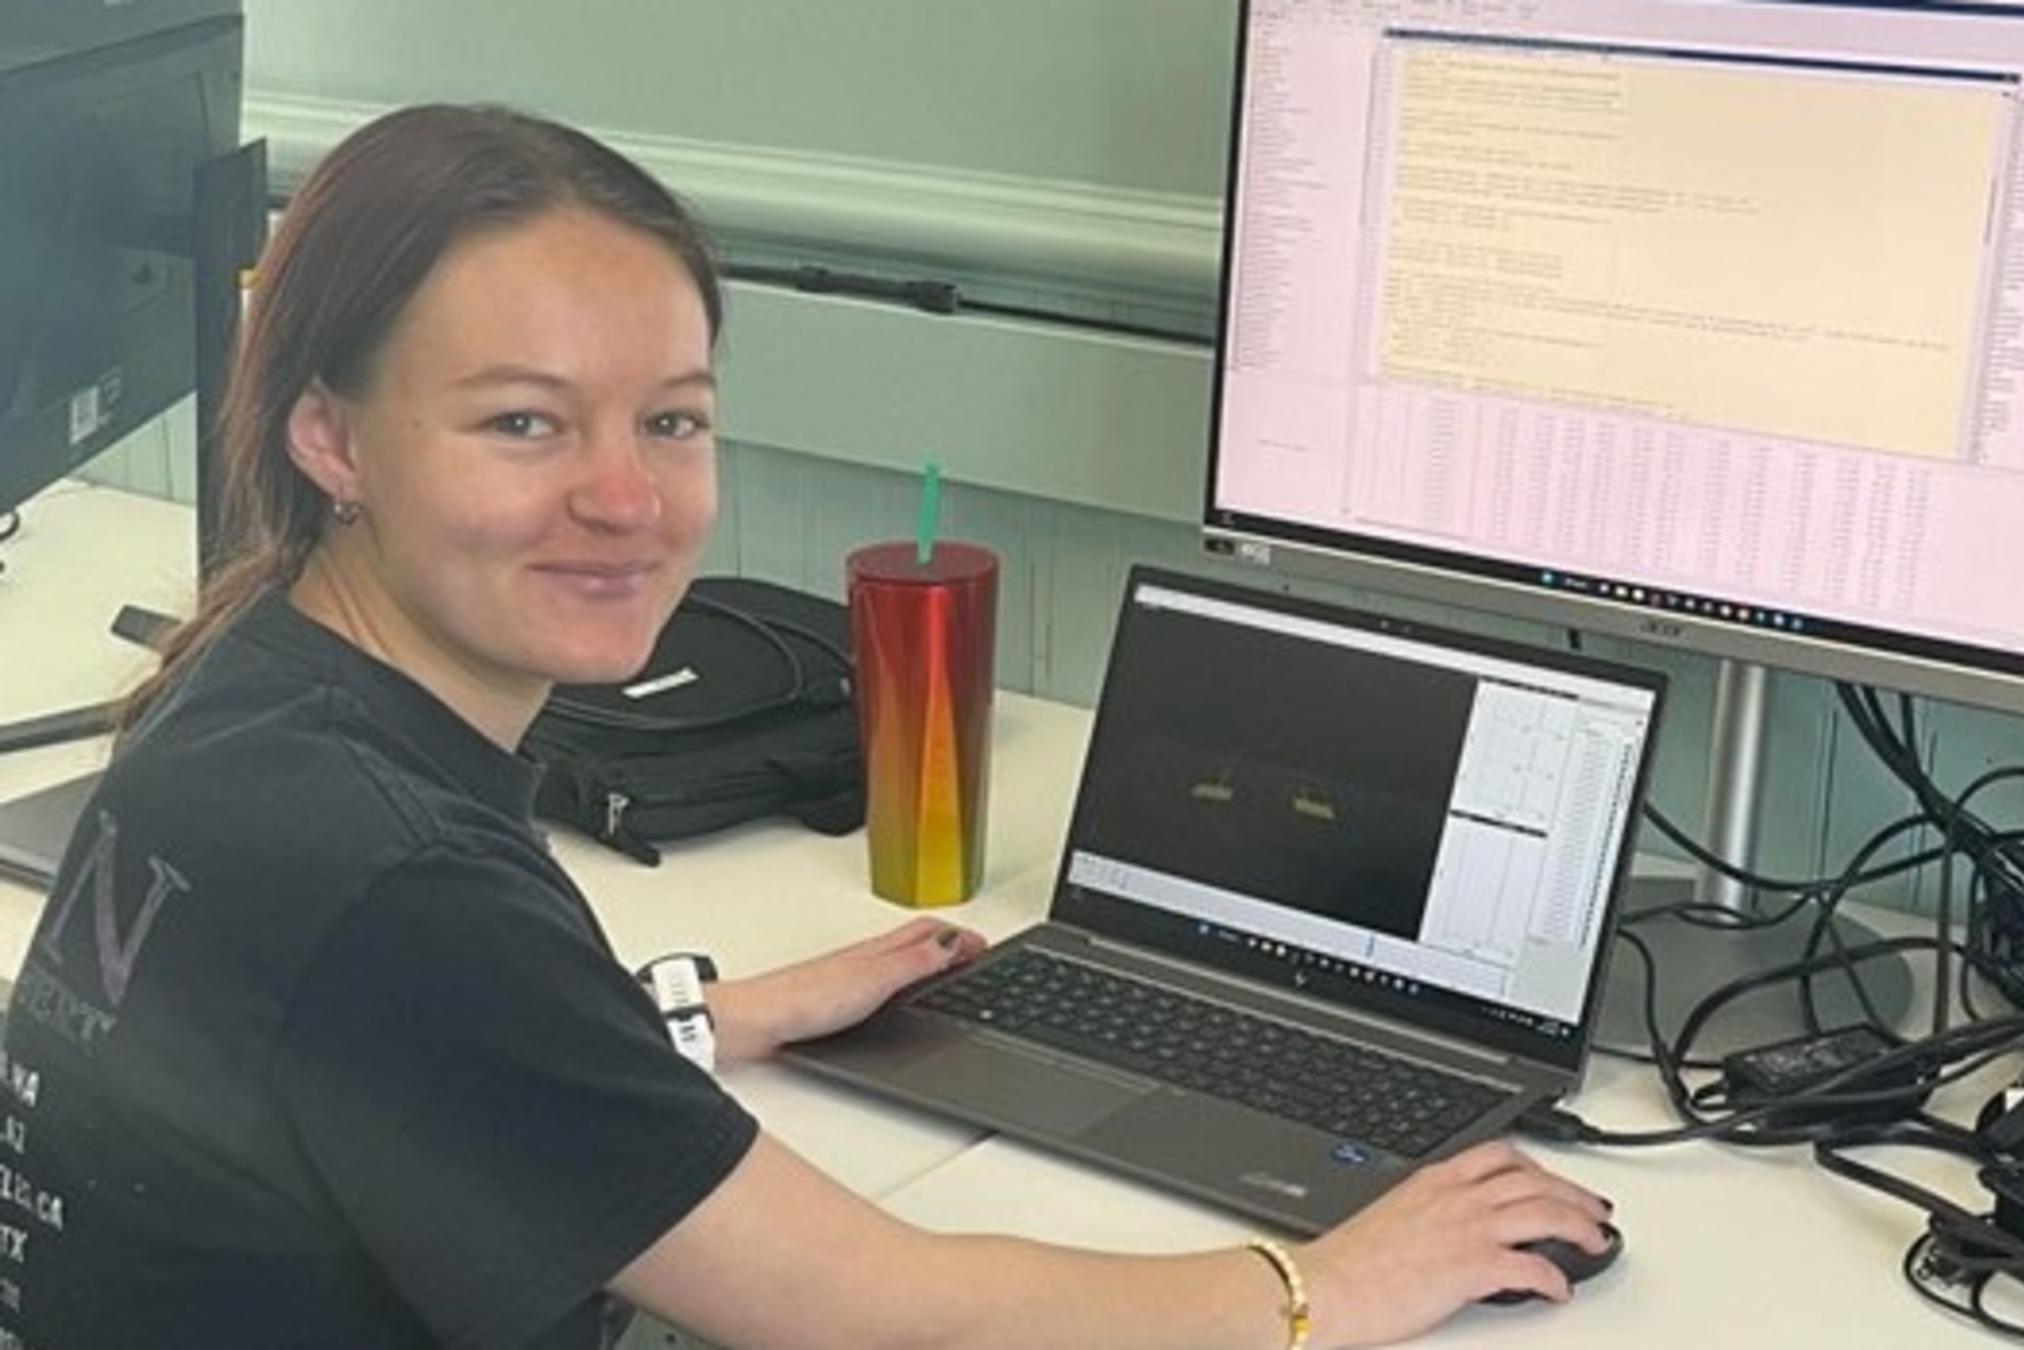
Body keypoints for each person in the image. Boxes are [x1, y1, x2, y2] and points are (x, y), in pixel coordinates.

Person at [0, 104, 1614, 1349]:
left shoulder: (247, 692)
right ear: (331, 439)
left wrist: (693, 1020)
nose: (627, 498)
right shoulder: (399, 882)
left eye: (672, 420)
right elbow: (876, 1311)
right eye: (523, 421)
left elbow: (372, 1056)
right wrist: (1327, 1283)